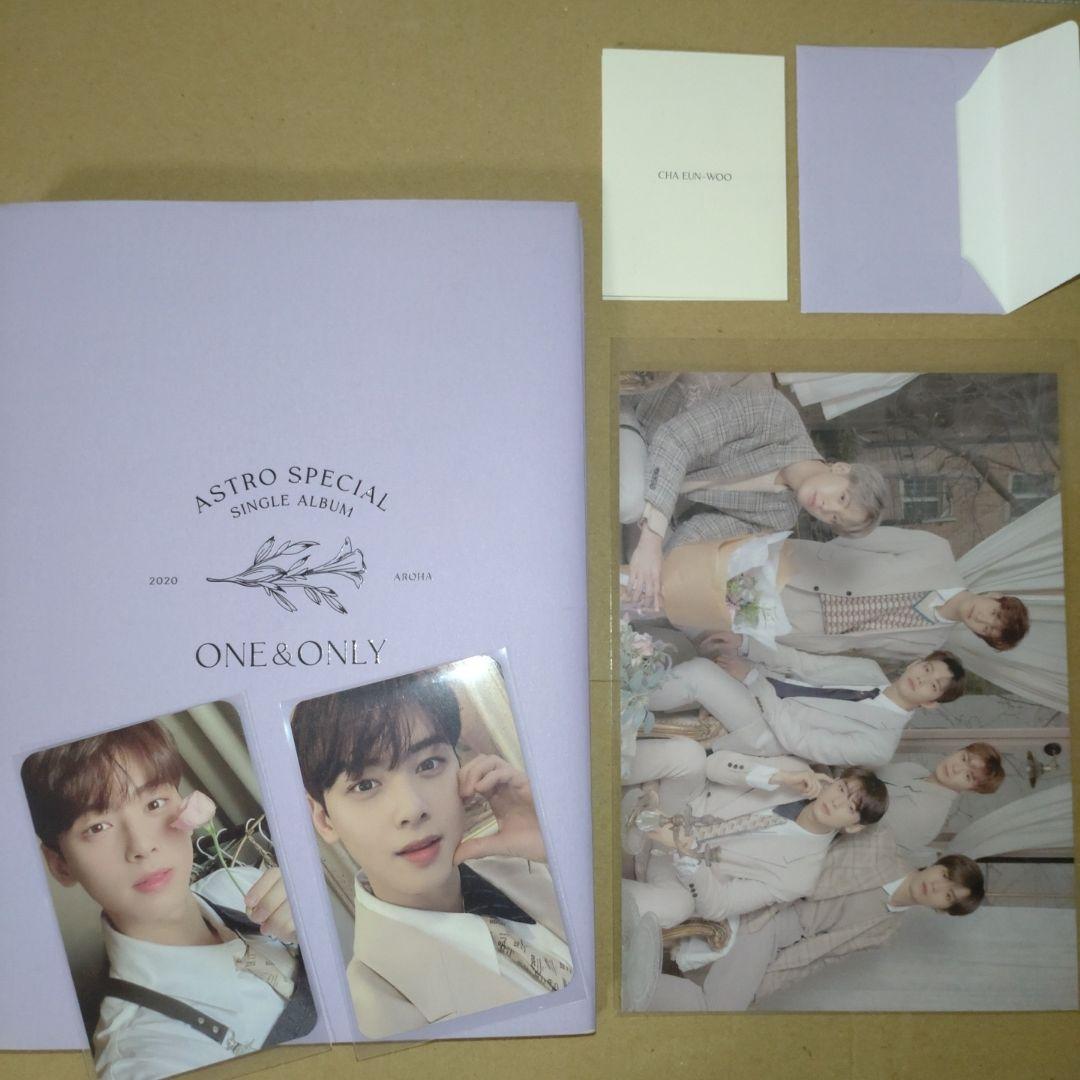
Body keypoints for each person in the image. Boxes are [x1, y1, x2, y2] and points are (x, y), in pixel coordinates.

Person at [21, 722, 312, 1080]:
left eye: (154, 803)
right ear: (60, 865)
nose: (142, 846)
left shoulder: (235, 885)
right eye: (97, 828)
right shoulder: (141, 1059)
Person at [291, 669, 572, 1039]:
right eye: (365, 784)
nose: (412, 809)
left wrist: (561, 846)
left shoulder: (525, 866)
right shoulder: (371, 1014)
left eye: (428, 764)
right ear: (323, 819)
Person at [623, 387, 889, 610]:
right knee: (631, 502)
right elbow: (676, 437)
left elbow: (701, 531)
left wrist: (664, 576)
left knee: (649, 586)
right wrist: (651, 541)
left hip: (654, 488)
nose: (826, 508)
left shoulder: (781, 517)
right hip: (645, 428)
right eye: (842, 498)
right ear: (841, 468)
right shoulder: (775, 415)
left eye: (834, 518)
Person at [686, 828, 986, 1010]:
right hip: (775, 910)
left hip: (782, 951)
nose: (937, 887)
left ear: (942, 910)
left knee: (723, 1007)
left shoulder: (884, 932)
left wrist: (760, 989)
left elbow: (816, 961)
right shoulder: (879, 846)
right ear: (936, 864)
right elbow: (808, 857)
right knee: (720, 1011)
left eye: (948, 895)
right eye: (944, 876)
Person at [622, 739, 888, 927]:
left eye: (850, 807)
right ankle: (605, 762)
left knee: (677, 907)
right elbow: (714, 764)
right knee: (689, 755)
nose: (837, 802)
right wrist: (780, 777)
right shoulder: (795, 772)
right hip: (680, 805)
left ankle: (598, 896)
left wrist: (686, 852)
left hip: (676, 867)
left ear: (854, 826)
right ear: (834, 781)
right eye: (841, 789)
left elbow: (719, 906)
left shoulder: (800, 876)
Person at [700, 527, 1029, 660]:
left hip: (798, 630)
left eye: (987, 629)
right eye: (993, 612)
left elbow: (863, 647)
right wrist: (823, 563)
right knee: (702, 574)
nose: (982, 619)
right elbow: (863, 538)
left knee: (700, 617)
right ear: (994, 595)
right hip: (798, 575)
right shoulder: (936, 552)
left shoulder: (928, 644)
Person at [647, 645, 966, 767]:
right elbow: (803, 663)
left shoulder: (880, 746)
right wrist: (745, 646)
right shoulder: (868, 670)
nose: (923, 679)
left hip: (769, 731)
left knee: (699, 673)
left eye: (933, 685)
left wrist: (754, 680)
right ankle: (636, 694)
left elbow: (799, 740)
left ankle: (627, 699)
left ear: (930, 703)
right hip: (763, 688)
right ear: (915, 662)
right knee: (708, 643)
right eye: (927, 669)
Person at [876, 744, 1005, 857]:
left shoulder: (926, 813)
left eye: (968, 776)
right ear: (957, 750)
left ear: (971, 789)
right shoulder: (914, 769)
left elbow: (867, 826)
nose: (956, 768)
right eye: (963, 758)